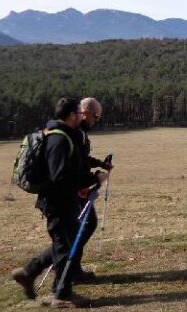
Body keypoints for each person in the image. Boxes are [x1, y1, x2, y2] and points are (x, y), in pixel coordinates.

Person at [11, 97, 108, 308]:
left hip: (64, 200)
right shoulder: (59, 139)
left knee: (65, 243)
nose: (83, 116)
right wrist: (94, 179)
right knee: (65, 246)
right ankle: (61, 295)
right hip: (57, 202)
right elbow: (61, 177)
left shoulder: (67, 136)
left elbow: (74, 166)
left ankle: (28, 272)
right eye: (79, 113)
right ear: (74, 114)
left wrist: (96, 169)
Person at [70, 97, 114, 281]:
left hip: (75, 188)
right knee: (83, 226)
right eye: (96, 117)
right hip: (72, 190)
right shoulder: (77, 133)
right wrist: (94, 178)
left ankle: (69, 266)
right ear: (86, 113)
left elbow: (83, 158)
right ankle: (68, 267)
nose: (96, 121)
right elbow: (76, 164)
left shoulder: (77, 132)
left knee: (80, 226)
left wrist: (100, 164)